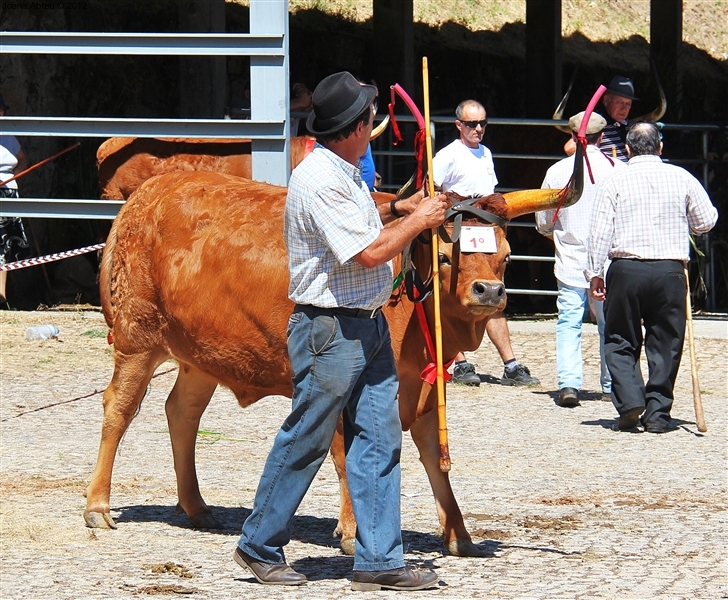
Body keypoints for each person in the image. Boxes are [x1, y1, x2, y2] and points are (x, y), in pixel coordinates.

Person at [234, 71, 448, 591]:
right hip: (330, 330)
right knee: (307, 436)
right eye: (369, 115)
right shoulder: (320, 179)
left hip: (364, 325)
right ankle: (258, 544)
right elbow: (369, 250)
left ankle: (379, 560)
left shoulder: (344, 169)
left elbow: (366, 221)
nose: (374, 121)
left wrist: (400, 207)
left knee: (379, 439)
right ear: (355, 127)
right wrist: (420, 223)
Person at [586, 123, 718, 433]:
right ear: (660, 147)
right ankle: (658, 414)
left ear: (628, 150)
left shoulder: (615, 179)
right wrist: (686, 224)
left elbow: (600, 232)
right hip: (669, 270)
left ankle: (631, 400)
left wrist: (594, 273)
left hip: (626, 269)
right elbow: (707, 220)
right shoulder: (682, 177)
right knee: (666, 342)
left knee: (620, 338)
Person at [432, 99, 539, 387]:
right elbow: (429, 188)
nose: (478, 128)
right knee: (456, 295)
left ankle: (511, 364)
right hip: (457, 231)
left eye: (482, 123)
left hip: (484, 231)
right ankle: (460, 362)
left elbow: (490, 194)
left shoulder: (486, 153)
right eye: (471, 124)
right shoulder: (447, 155)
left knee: (493, 297)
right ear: (459, 126)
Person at [536, 111, 625, 407]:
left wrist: (556, 233)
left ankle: (569, 383)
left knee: (569, 321)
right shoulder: (617, 169)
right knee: (608, 322)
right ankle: (611, 382)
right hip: (608, 261)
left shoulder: (557, 171)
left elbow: (544, 221)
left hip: (570, 257)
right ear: (602, 136)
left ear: (573, 136)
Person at [0, 92, 30, 304]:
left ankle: (2, 297)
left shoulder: (8, 135)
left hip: (8, 193)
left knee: (5, 247)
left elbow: (23, 159)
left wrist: (14, 175)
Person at [564, 75, 637, 162]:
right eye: (619, 102)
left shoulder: (632, 127)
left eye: (628, 103)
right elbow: (570, 148)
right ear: (606, 101)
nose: (623, 108)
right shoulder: (596, 124)